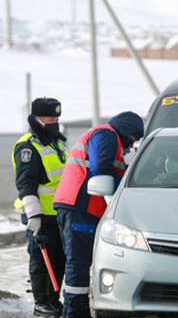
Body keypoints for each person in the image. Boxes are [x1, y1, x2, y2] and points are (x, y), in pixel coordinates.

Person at [53, 111, 144, 317]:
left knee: (78, 261)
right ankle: (75, 313)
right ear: (128, 129)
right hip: (81, 205)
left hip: (79, 206)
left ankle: (76, 310)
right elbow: (101, 168)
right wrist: (125, 184)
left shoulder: (109, 138)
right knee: (78, 262)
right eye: (134, 137)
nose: (132, 144)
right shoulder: (107, 133)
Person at [12, 97, 68, 317]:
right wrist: (33, 215)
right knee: (41, 260)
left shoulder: (56, 142)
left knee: (59, 260)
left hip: (59, 213)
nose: (54, 120)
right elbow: (26, 183)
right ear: (36, 118)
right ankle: (41, 303)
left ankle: (54, 300)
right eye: (49, 117)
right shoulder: (28, 146)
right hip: (40, 215)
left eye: (56, 117)